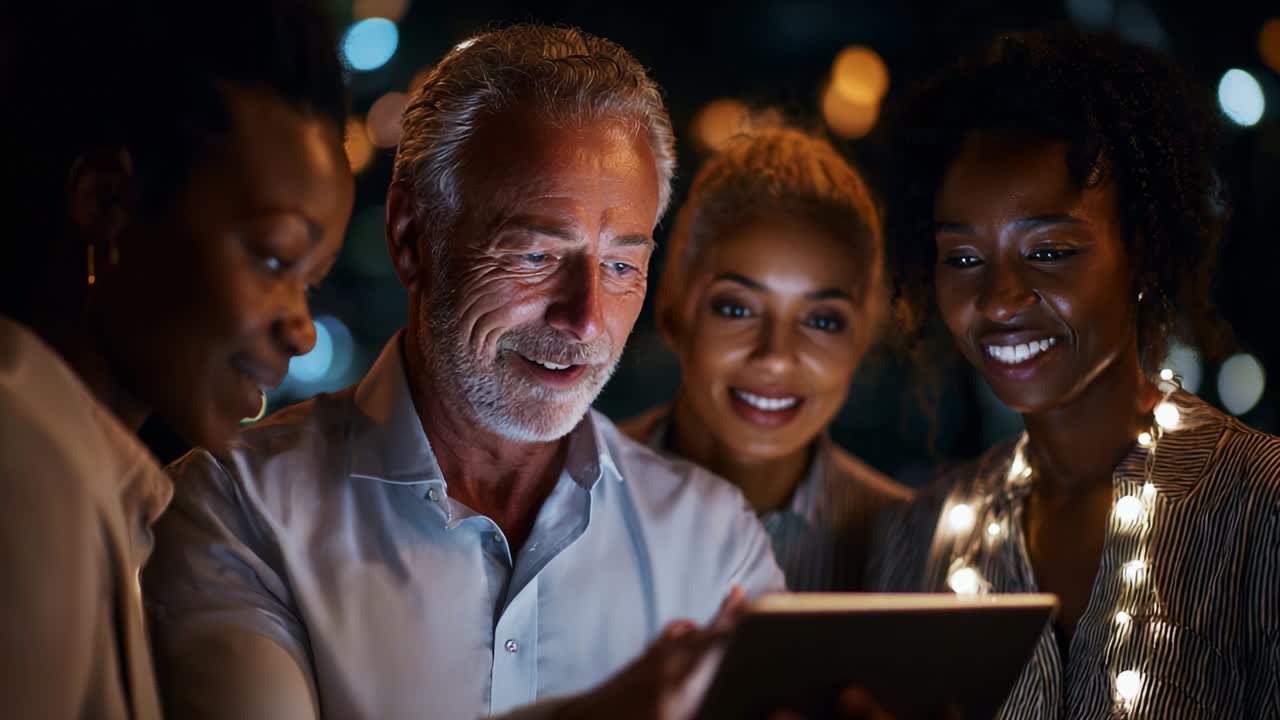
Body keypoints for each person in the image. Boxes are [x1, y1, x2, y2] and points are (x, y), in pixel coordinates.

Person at [142, 24, 785, 719]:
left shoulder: (715, 544)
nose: (586, 319)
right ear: (412, 236)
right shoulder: (237, 511)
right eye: (537, 256)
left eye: (622, 265)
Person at [867, 30, 1280, 717]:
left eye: (1050, 250)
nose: (999, 299)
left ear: (1142, 254)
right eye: (963, 258)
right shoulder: (919, 539)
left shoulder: (1258, 509)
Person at [0, 0, 353, 717]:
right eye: (273, 256)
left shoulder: (104, 487)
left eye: (309, 282)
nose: (303, 329)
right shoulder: (27, 465)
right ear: (107, 203)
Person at [621, 128, 910, 591]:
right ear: (674, 312)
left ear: (862, 340)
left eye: (823, 321)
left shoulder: (912, 541)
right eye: (737, 308)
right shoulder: (556, 496)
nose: (776, 357)